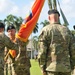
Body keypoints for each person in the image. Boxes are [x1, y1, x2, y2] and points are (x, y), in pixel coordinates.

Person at [38, 9, 75, 75]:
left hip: (51, 69)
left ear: (49, 17)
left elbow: (42, 52)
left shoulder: (46, 30)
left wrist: (42, 68)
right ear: (58, 17)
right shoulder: (67, 31)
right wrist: (71, 66)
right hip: (66, 69)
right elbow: (73, 50)